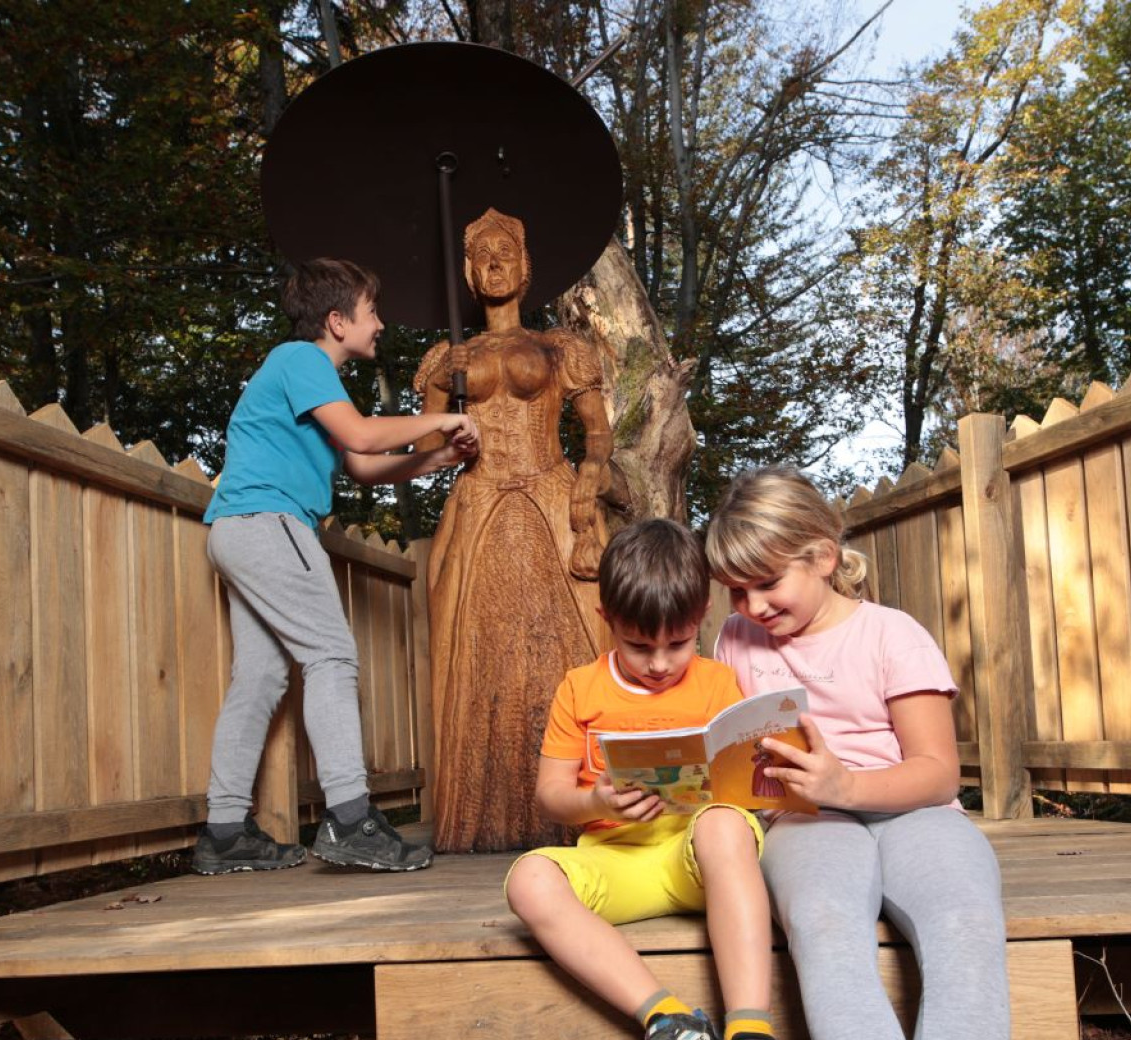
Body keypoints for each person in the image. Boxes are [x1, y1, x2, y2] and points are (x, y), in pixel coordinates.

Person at [192, 257, 479, 876]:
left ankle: (222, 831)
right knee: (331, 657)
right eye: (371, 311)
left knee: (261, 679)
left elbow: (364, 465)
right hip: (270, 524)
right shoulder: (301, 360)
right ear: (336, 320)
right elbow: (364, 436)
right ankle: (350, 819)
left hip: (238, 530)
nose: (379, 324)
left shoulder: (311, 380)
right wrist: (444, 418)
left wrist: (440, 458)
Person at [705, 467, 1009, 1040]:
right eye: (736, 590)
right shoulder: (735, 639)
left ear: (821, 557)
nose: (753, 605)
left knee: (965, 918)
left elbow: (940, 775)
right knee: (823, 921)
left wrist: (846, 787)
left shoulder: (893, 634)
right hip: (803, 820)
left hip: (917, 812)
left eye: (767, 583)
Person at [504, 519, 776, 1040]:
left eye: (677, 644)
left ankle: (749, 1025)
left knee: (724, 824)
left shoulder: (719, 682)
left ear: (701, 617)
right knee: (528, 880)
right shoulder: (580, 688)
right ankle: (666, 1018)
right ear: (607, 618)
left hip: (699, 862)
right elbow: (551, 796)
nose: (658, 664)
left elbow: (746, 782)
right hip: (615, 861)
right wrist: (595, 801)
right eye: (637, 645)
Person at [413, 207, 614, 852]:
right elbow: (422, 450)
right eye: (481, 257)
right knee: (477, 650)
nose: (494, 263)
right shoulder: (449, 356)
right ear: (469, 275)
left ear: (525, 268)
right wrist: (445, 423)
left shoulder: (561, 348)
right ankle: (482, 812)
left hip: (551, 496)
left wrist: (591, 476)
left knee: (571, 646)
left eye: (505, 252)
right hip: (479, 505)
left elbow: (598, 431)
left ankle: (588, 805)